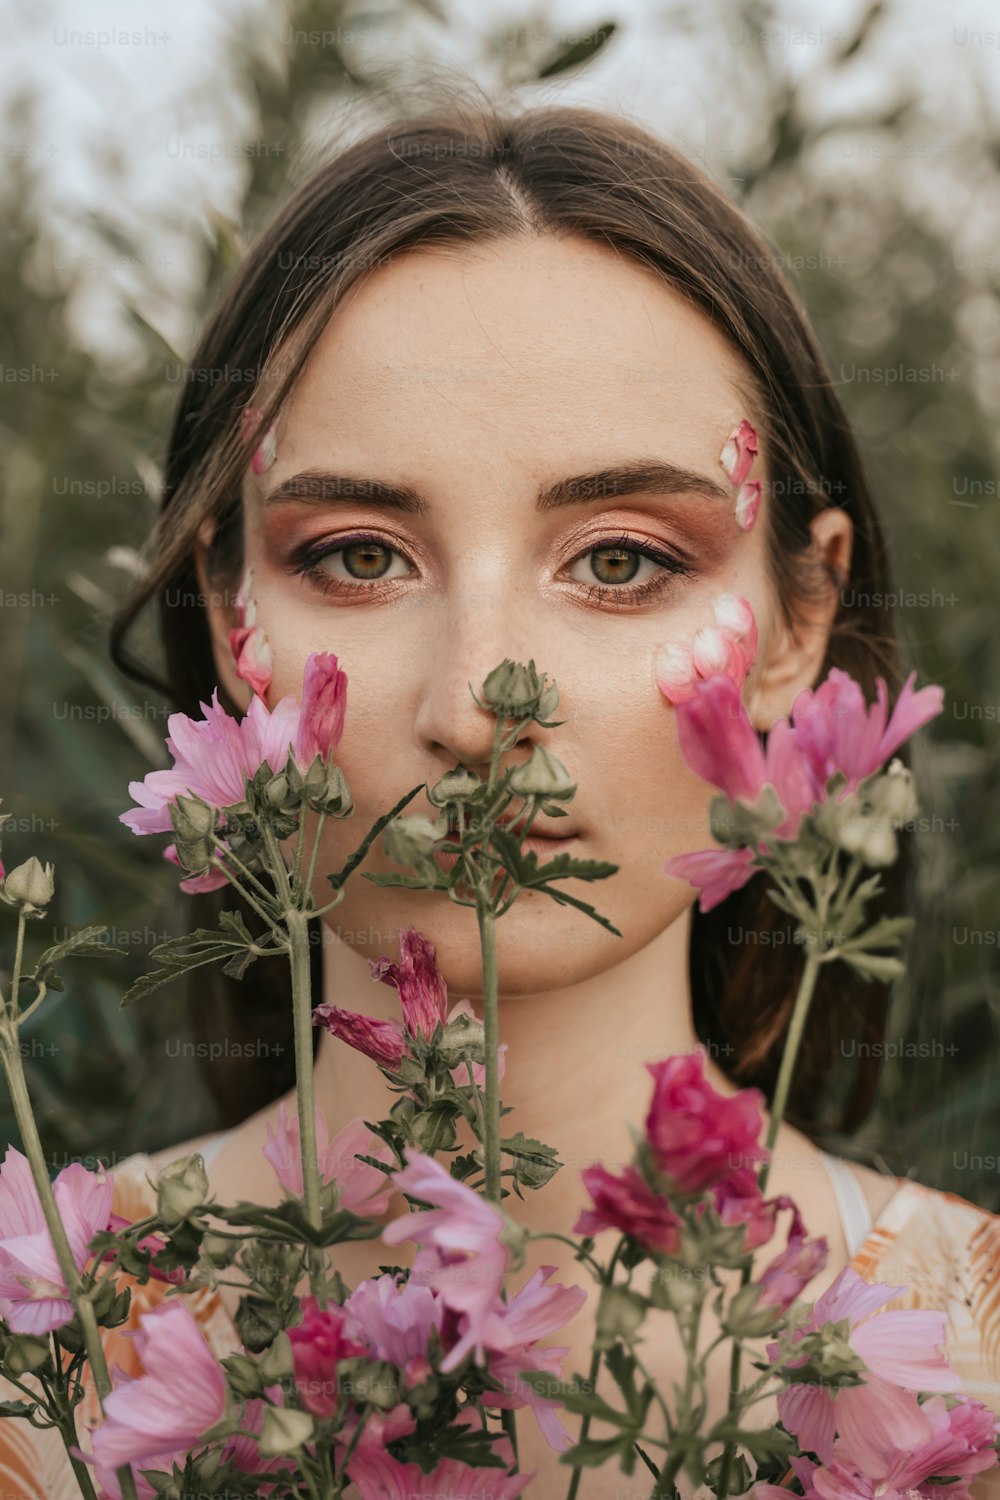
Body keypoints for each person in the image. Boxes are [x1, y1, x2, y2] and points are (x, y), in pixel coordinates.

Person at [4, 94, 997, 1499]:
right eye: (355, 556)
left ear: (800, 620)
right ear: (232, 618)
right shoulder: (42, 1366)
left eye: (620, 560)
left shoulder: (974, 1377)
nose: (476, 705)